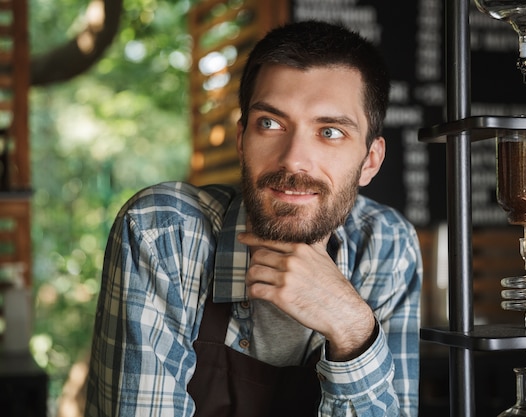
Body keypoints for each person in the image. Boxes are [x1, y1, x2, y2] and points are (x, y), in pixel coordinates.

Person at [85, 20, 422, 417]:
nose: (294, 158)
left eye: (330, 132)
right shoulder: (164, 231)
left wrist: (351, 328)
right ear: (242, 140)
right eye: (271, 123)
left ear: (370, 161)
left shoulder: (387, 246)